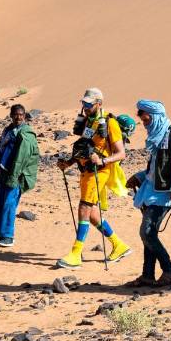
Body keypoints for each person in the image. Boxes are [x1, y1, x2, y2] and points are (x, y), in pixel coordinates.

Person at [55, 88, 131, 269]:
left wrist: (102, 160)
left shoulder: (110, 123)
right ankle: (119, 245)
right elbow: (84, 147)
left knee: (84, 207)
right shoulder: (88, 121)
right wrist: (69, 163)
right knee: (93, 214)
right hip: (85, 171)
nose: (85, 107)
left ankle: (76, 253)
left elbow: (121, 154)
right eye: (84, 103)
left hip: (99, 172)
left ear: (99, 103)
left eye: (89, 104)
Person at [125, 99, 171, 287]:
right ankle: (148, 275)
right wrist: (139, 177)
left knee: (147, 232)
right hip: (150, 191)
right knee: (149, 234)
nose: (145, 125)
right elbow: (155, 167)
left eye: (147, 120)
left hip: (164, 193)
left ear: (156, 117)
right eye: (143, 121)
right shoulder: (156, 137)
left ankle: (169, 271)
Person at [0, 104, 40, 248]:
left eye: (21, 115)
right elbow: (3, 148)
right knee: (1, 203)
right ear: (11, 115)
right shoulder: (9, 130)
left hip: (16, 175)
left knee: (9, 204)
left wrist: (14, 176)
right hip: (5, 172)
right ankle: (2, 235)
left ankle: (8, 236)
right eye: (15, 114)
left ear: (24, 116)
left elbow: (22, 158)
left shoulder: (26, 133)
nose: (18, 117)